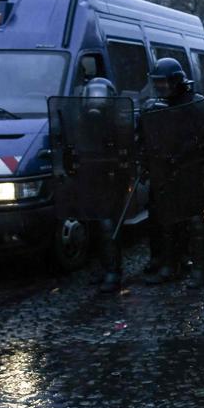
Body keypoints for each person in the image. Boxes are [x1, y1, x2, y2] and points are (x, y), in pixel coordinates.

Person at [141, 57, 204, 287]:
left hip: (189, 172)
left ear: (176, 81)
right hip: (164, 172)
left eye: (164, 82)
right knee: (167, 220)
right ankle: (170, 266)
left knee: (194, 220)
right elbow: (147, 139)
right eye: (157, 83)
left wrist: (187, 154)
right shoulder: (157, 106)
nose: (160, 87)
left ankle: (199, 269)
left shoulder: (196, 104)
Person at [78, 77, 125, 293]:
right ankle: (101, 266)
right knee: (92, 223)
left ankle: (113, 270)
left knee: (108, 225)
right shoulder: (81, 122)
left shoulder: (117, 122)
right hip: (90, 176)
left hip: (111, 178)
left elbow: (125, 150)